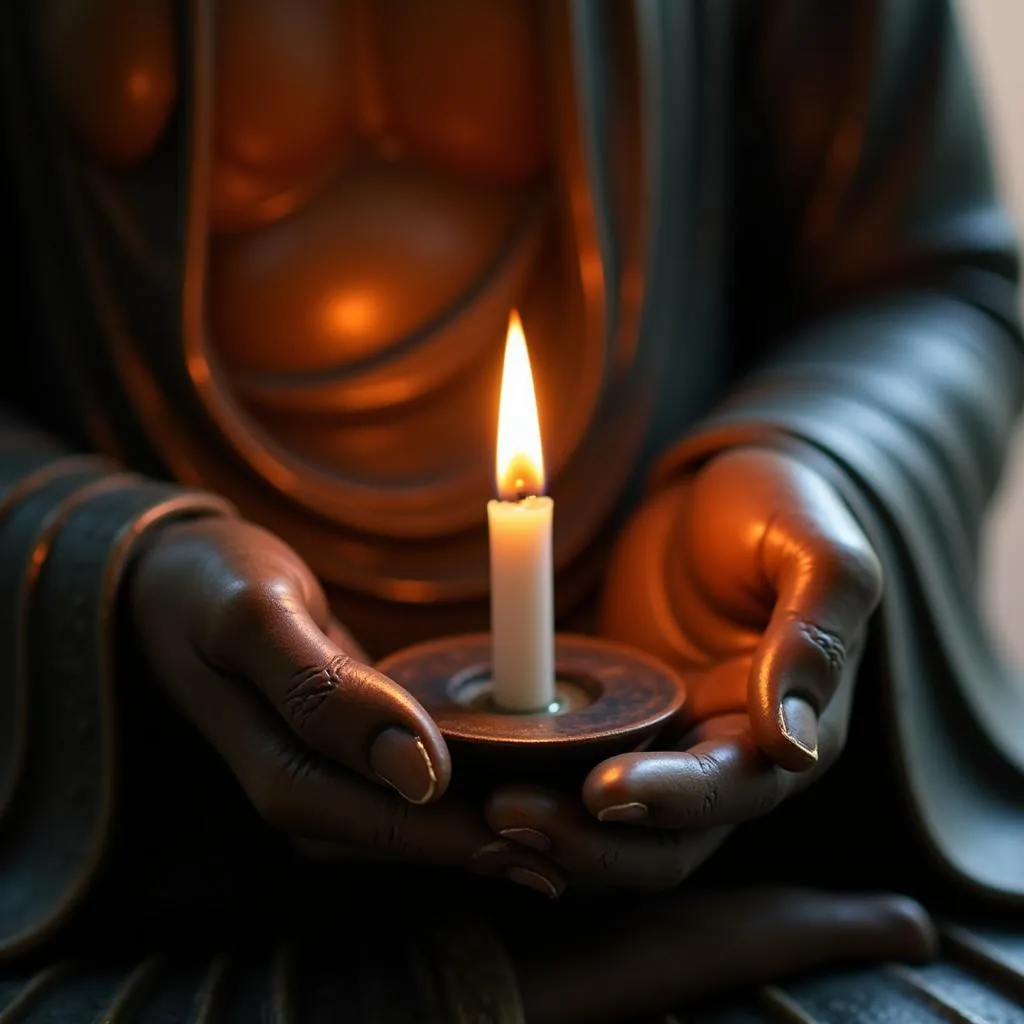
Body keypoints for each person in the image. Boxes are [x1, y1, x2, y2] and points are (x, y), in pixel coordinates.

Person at [0, 0, 1022, 1020]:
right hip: (128, 859)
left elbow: (936, 276)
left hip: (735, 845)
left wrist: (802, 462)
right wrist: (107, 561)